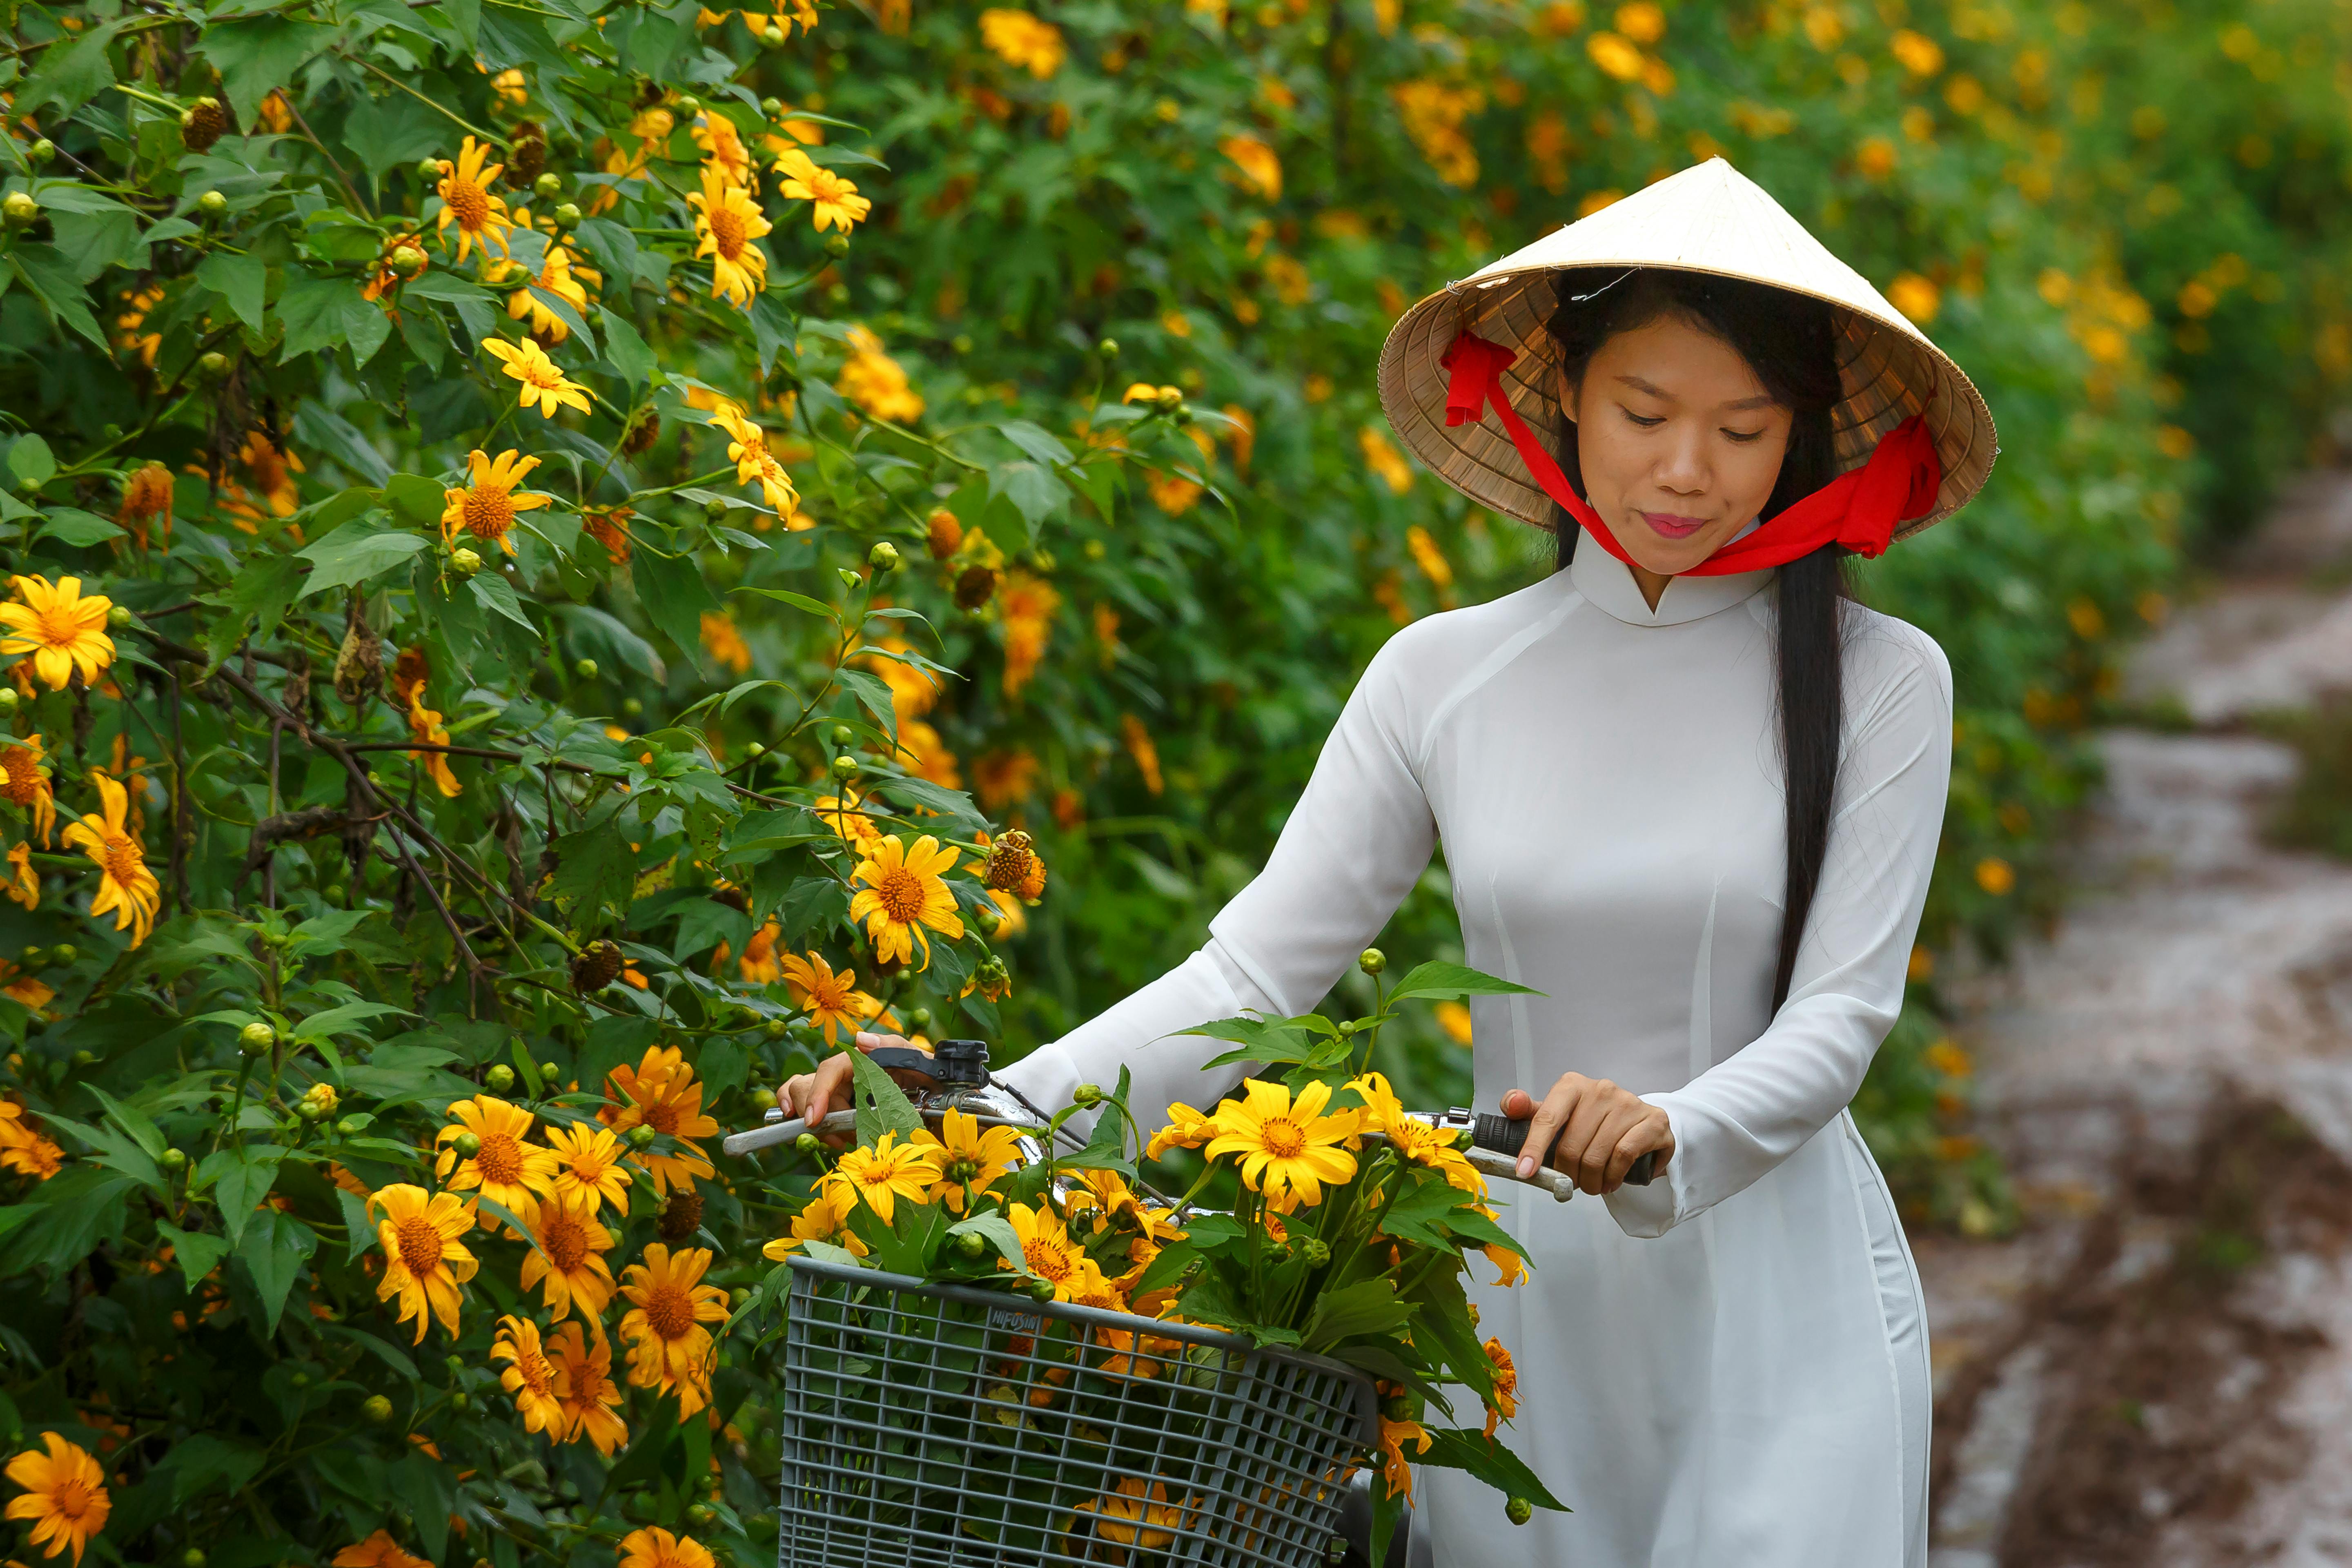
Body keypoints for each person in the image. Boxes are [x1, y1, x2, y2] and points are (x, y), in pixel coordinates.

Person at [779, 158, 1996, 1568]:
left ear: (1801, 442)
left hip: (1789, 1320)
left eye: (1743, 428)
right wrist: (978, 1111)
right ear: (1567, 399)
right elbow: (1253, 972)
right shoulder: (1446, 677)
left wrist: (1668, 1125)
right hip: (1516, 1336)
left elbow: (1841, 1020)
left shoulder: (1883, 680)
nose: (1685, 469)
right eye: (1645, 413)